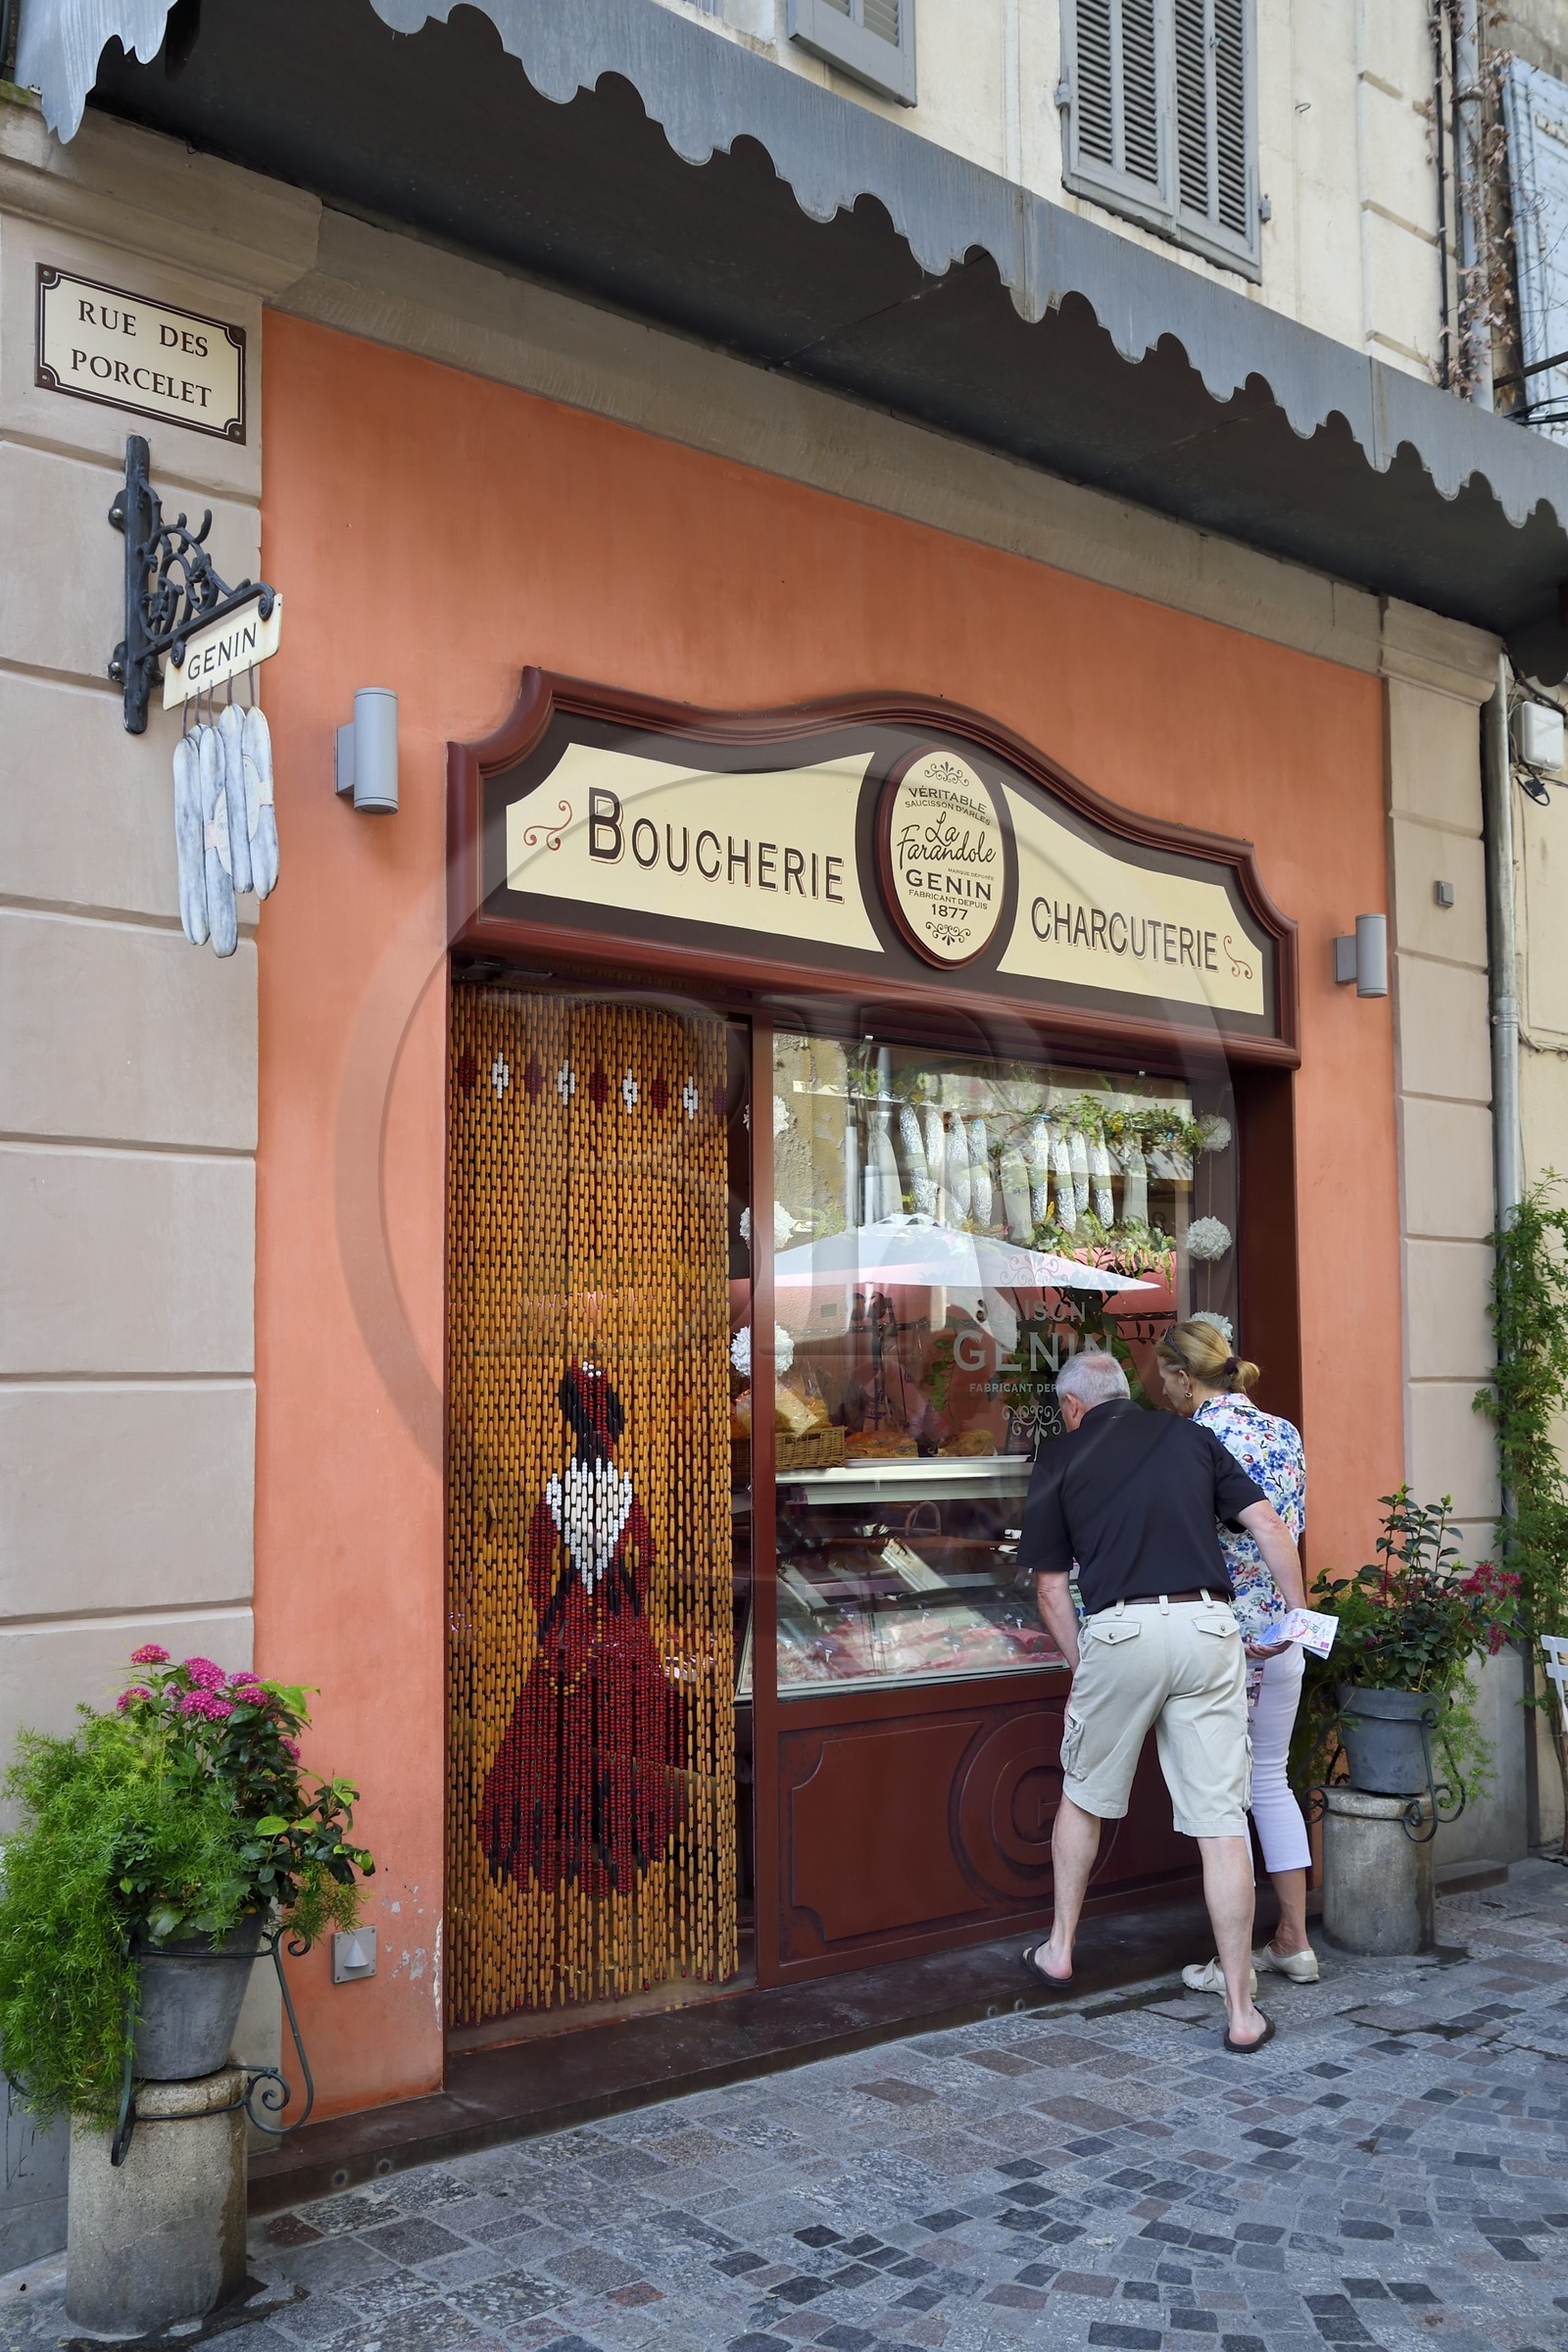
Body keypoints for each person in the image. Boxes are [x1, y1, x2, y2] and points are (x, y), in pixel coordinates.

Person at [1018, 1350, 1306, 2052]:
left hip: (1121, 1627)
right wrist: (1297, 1617)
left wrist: (1089, 1665)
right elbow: (1268, 1525)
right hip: (1211, 1626)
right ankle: (1241, 2012)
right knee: (1219, 1822)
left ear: (1073, 1407)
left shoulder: (1060, 1454)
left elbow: (1052, 1590)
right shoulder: (1190, 1434)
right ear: (1127, 1393)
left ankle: (1059, 1950)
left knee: (1083, 1794)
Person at [1155, 1320, 1317, 1992]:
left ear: (1185, 1378)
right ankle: (1296, 1942)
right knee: (1272, 1784)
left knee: (1223, 1806)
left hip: (1228, 1636)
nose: (1161, 1390)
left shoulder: (1195, 1440)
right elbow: (1286, 1528)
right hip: (1283, 1632)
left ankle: (1235, 1961)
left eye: (1163, 1377)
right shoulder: (1282, 1430)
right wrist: (1297, 1617)